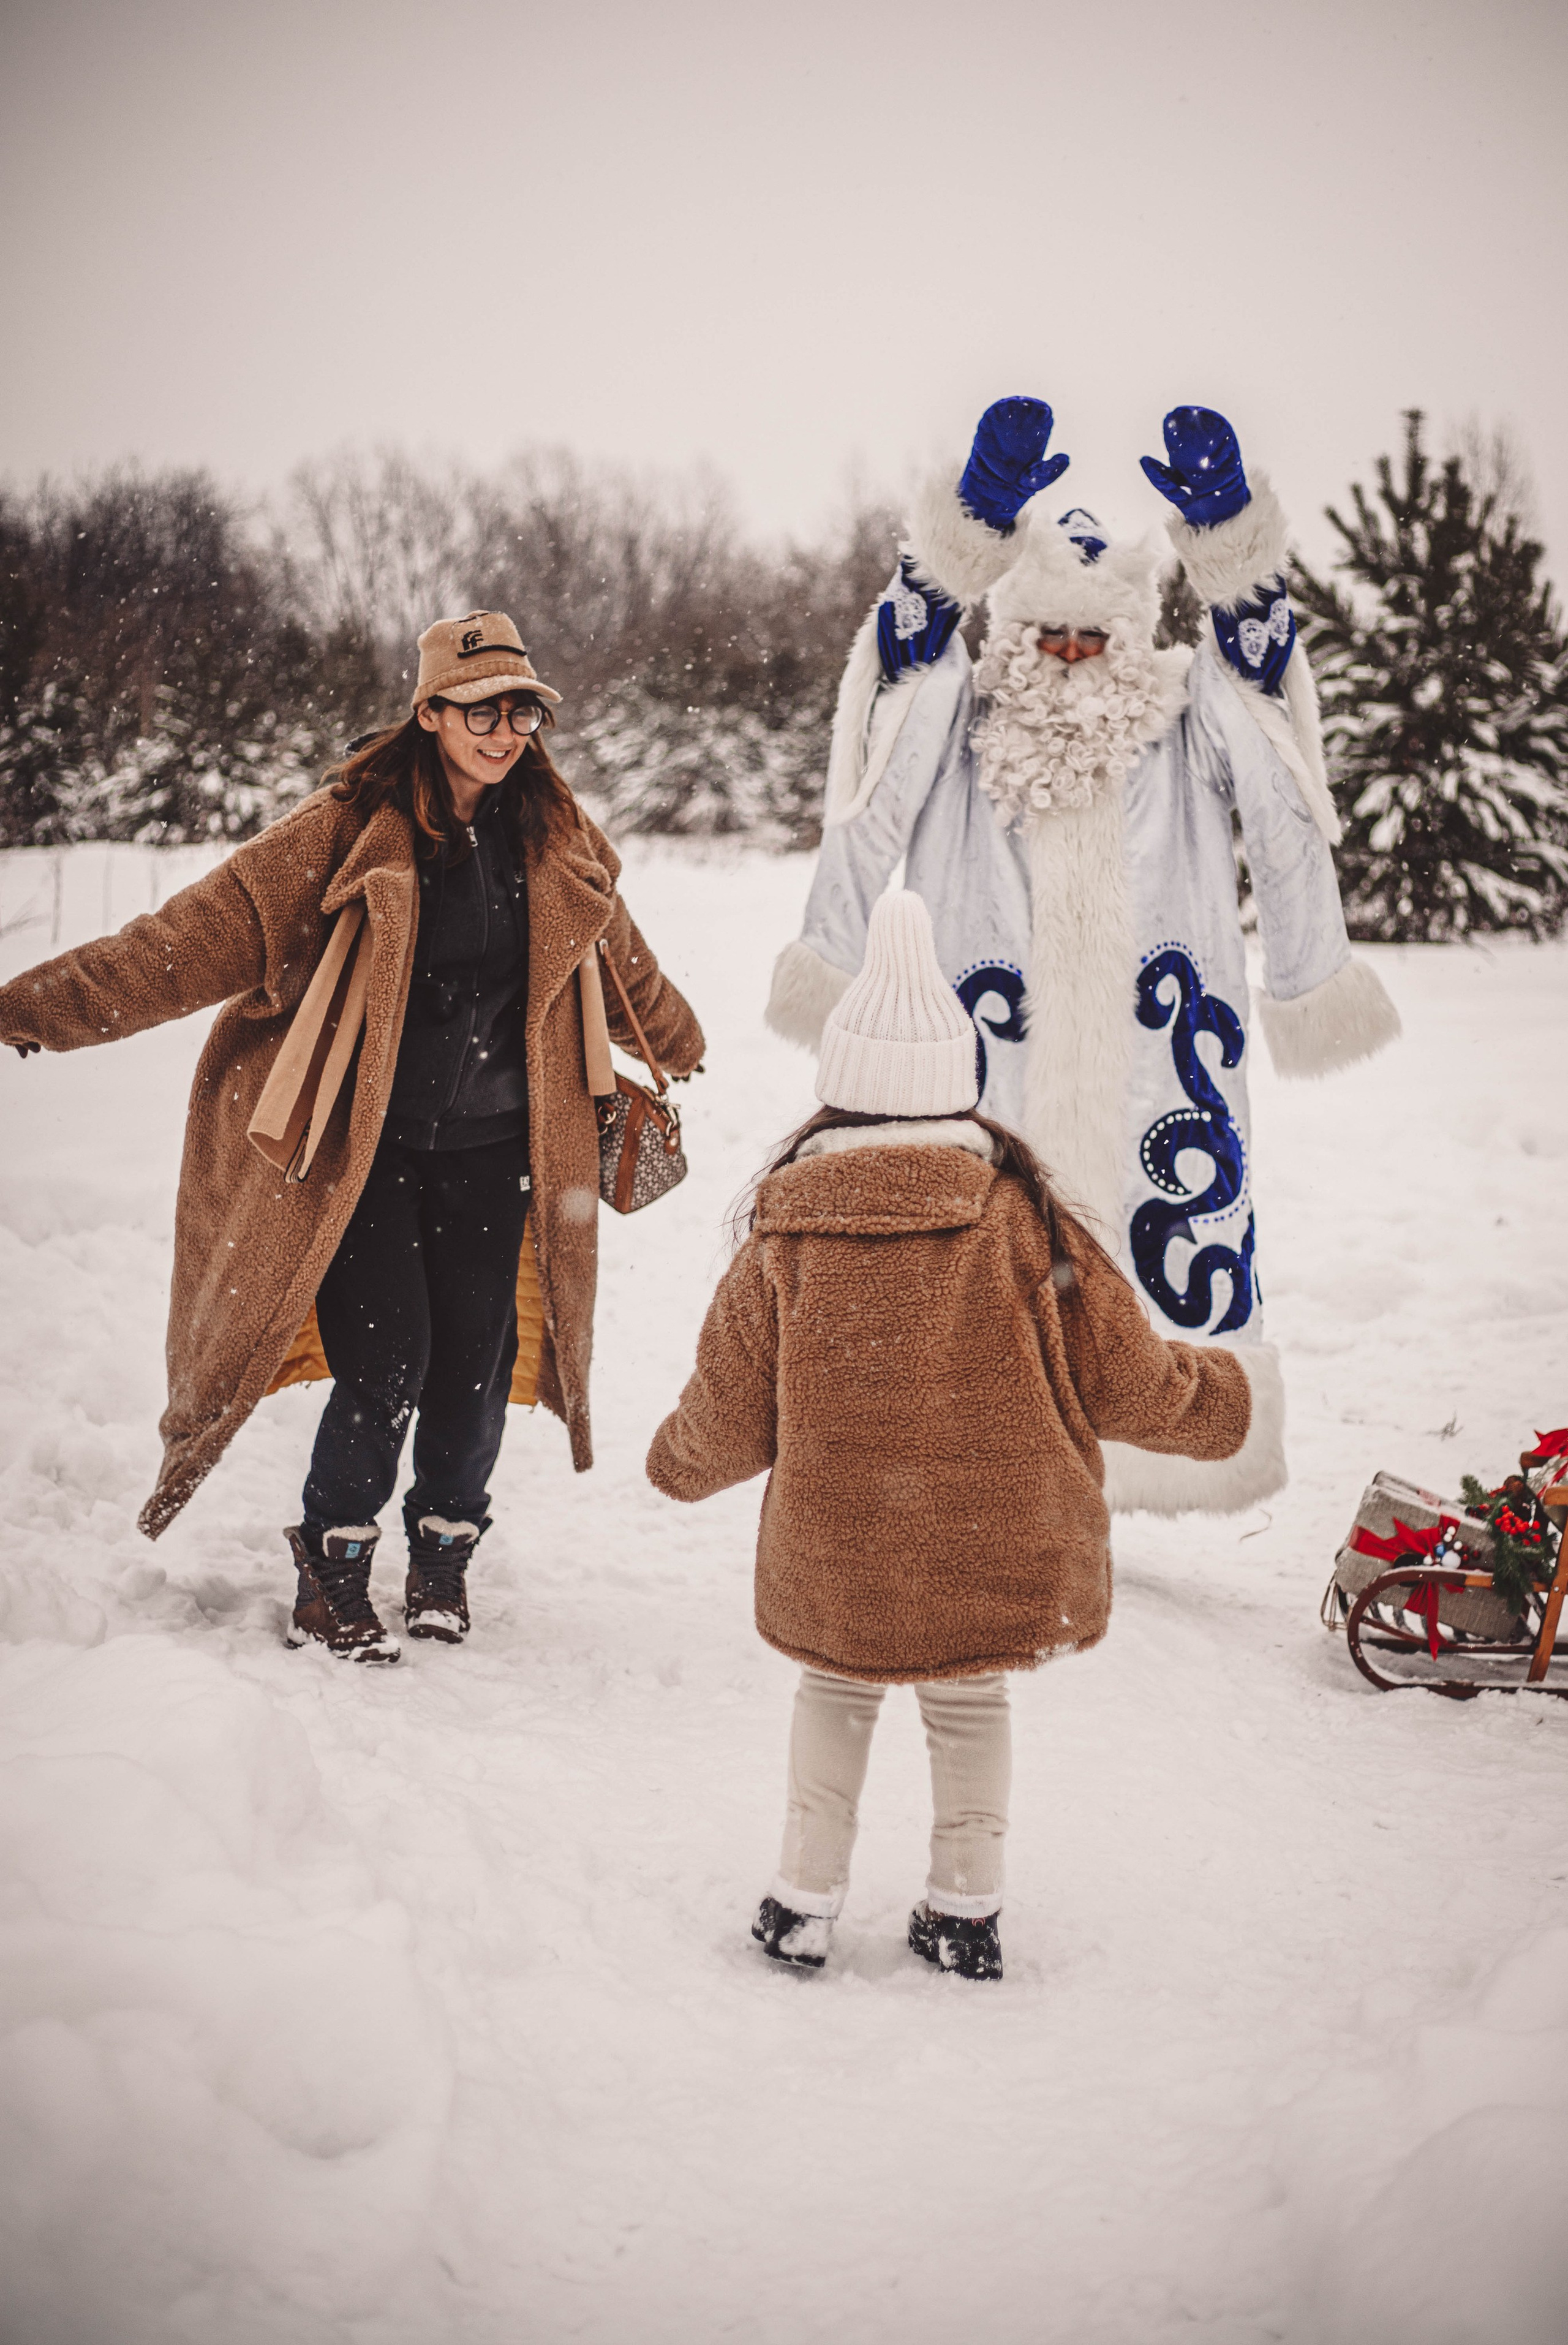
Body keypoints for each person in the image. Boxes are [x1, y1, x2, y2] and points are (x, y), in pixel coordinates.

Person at [0, 611, 704, 1662]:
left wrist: (678, 1040)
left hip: (497, 1154)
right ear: (428, 713)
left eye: (523, 710)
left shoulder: (555, 834)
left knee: (477, 1364)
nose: (505, 731)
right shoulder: (343, 832)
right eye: (480, 709)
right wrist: (32, 1009)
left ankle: (443, 1555)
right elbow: (183, 943)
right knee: (390, 1362)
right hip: (361, 1156)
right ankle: (332, 1570)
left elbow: (616, 954)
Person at [764, 399, 1401, 1516]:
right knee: (979, 1265)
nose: (1067, 656)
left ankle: (1150, 1463)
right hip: (987, 1066)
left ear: (1131, 634)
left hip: (1159, 1068)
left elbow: (1261, 685)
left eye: (1091, 638)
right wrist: (970, 528)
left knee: (1160, 1271)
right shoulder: (965, 721)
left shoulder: (1185, 720)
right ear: (1015, 632)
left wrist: (1234, 548)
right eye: (1048, 635)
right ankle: (985, 1477)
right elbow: (899, 673)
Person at [647, 891, 1275, 1979]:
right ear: (958, 1088)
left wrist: (678, 1461)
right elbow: (1125, 1371)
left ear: (839, 1091)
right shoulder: (1024, 1215)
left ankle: (802, 1900)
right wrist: (1219, 1400)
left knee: (835, 1696)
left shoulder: (785, 1231)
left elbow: (731, 1402)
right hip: (992, 1533)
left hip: (840, 1545)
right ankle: (965, 1910)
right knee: (970, 1702)